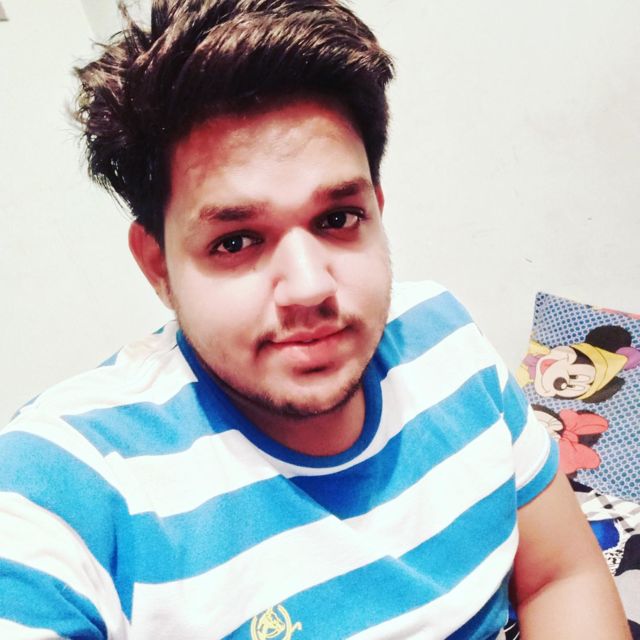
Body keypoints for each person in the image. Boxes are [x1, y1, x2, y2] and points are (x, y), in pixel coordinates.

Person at [0, 1, 630, 638]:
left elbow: (559, 575)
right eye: (235, 241)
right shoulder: (70, 483)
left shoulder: (446, 340)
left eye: (337, 219)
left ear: (376, 209)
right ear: (158, 266)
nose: (309, 287)